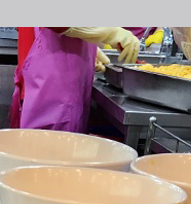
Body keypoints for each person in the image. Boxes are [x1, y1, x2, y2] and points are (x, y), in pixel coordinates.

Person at [10, 27, 145, 133]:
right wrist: (109, 32)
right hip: (50, 101)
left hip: (60, 96)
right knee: (46, 155)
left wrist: (86, 46)